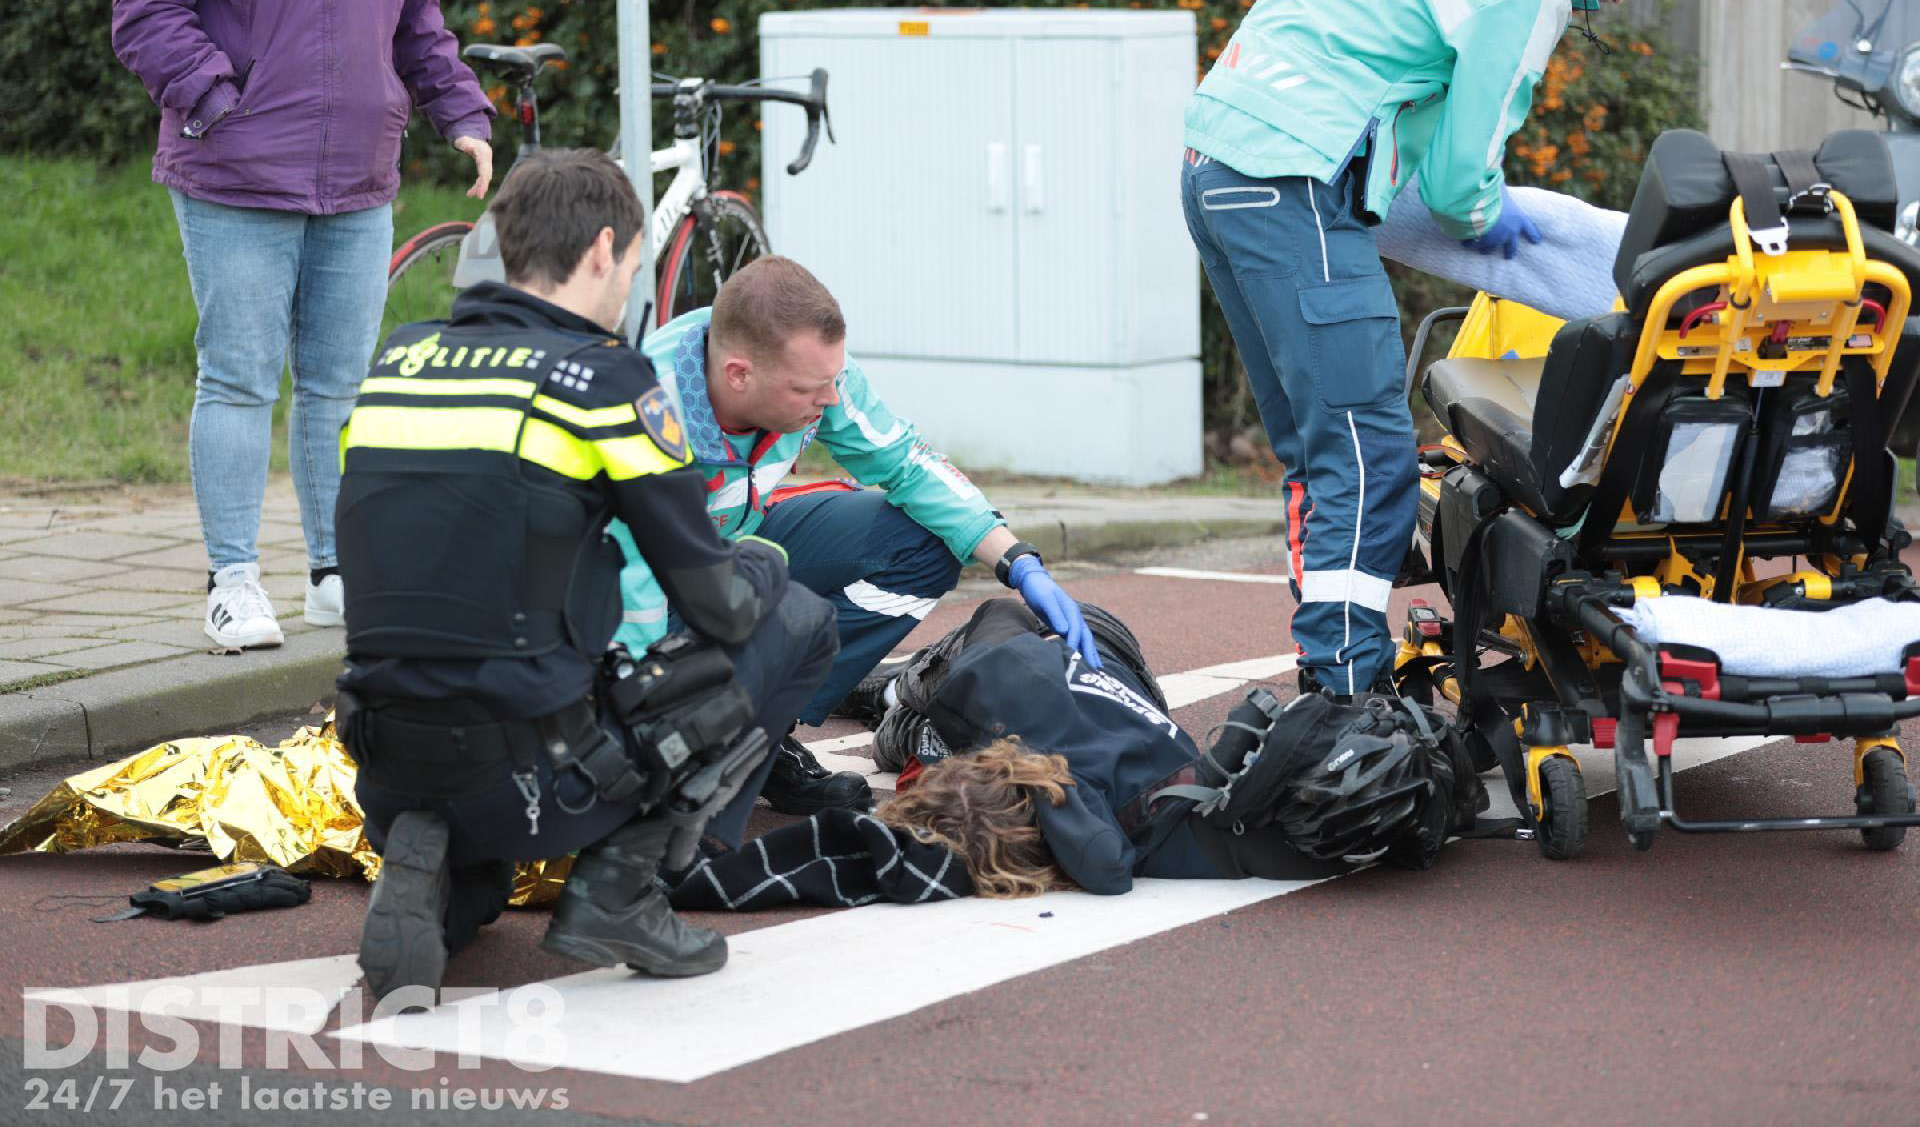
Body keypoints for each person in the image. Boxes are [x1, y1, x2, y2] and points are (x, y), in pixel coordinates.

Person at [1179, 0, 1696, 696]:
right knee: (1369, 454)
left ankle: (1330, 666)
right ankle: (1348, 695)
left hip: (1215, 160)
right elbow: (1462, 187)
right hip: (1296, 179)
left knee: (1320, 452)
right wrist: (1531, 240)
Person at [333, 150, 839, 999]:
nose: (628, 291)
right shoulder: (602, 381)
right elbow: (710, 597)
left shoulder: (399, 361)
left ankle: (443, 867)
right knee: (787, 608)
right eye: (635, 269)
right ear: (604, 251)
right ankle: (620, 888)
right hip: (543, 768)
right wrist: (755, 567)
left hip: (382, 749)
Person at [111, 0, 496, 651]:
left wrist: (458, 109)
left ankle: (335, 575)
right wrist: (220, 101)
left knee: (341, 384)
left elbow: (415, 8)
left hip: (359, 175)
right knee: (239, 377)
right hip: (234, 175)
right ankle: (234, 582)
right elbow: (145, 6)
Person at [615, 256, 1102, 817]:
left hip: (737, 544)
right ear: (739, 375)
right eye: (809, 390)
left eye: (832, 382)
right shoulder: (649, 410)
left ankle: (761, 734)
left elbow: (907, 462)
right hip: (643, 587)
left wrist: (1018, 562)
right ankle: (701, 732)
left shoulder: (812, 374)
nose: (829, 401)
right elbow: (630, 582)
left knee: (921, 542)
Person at [667, 600, 1484, 912]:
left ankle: (891, 695)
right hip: (1073, 664)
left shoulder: (1078, 786)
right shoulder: (1106, 779)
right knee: (915, 711)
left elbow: (1103, 867)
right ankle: (892, 697)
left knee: (903, 719)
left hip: (1019, 662)